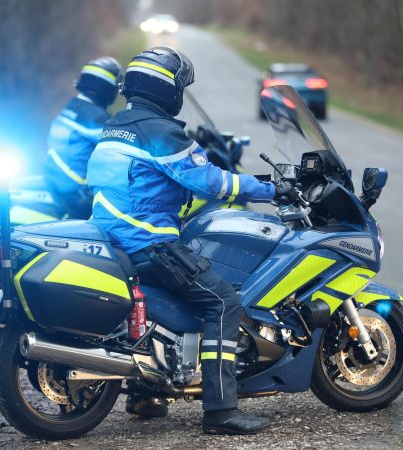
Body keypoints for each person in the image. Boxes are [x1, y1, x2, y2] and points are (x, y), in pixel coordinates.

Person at [87, 47, 294, 435]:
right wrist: (269, 188)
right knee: (222, 301)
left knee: (153, 314)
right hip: (150, 244)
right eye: (180, 86)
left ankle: (145, 395)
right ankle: (221, 411)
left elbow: (152, 183)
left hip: (115, 240)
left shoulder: (116, 126)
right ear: (168, 90)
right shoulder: (161, 132)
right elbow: (210, 181)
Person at [44, 57, 122, 218]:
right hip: (76, 192)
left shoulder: (73, 107)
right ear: (108, 89)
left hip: (55, 182)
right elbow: (119, 148)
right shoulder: (95, 117)